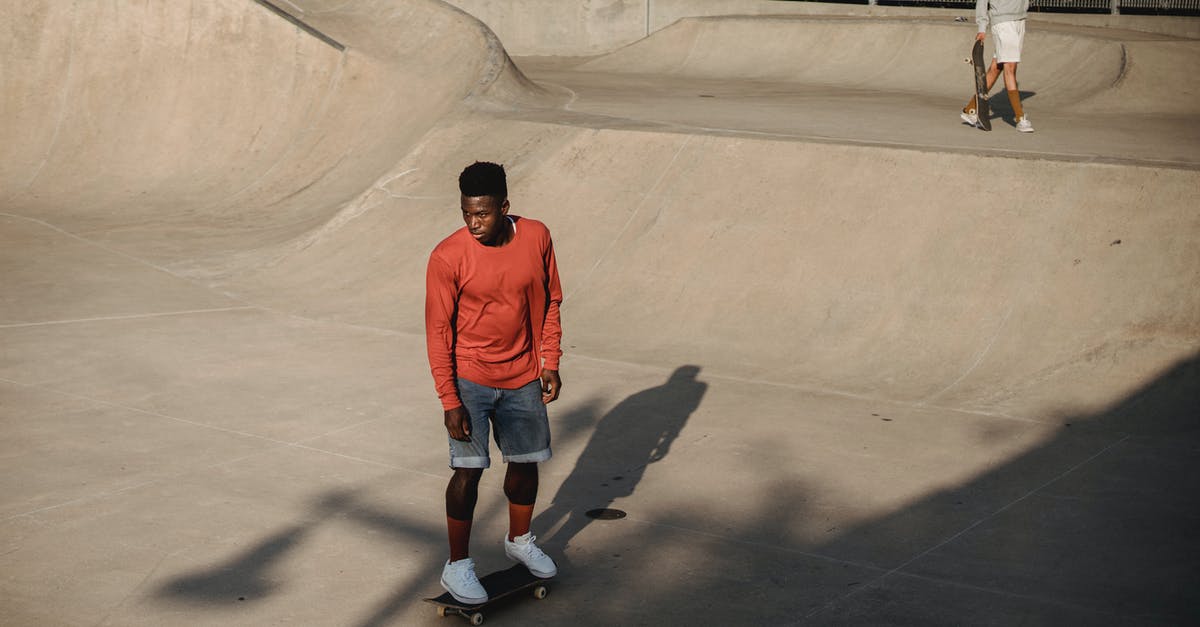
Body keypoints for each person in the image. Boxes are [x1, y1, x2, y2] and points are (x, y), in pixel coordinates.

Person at [425, 161, 563, 604]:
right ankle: (457, 565)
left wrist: (550, 360)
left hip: (522, 374)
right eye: (466, 213)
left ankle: (519, 539)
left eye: (482, 213)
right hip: (470, 379)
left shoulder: (537, 236)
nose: (474, 223)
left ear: (504, 206)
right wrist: (450, 398)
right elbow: (438, 332)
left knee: (525, 463)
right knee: (467, 471)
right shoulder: (448, 256)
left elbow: (552, 300)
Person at [961, 0, 1035, 133]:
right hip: (1003, 23)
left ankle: (970, 109)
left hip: (1020, 19)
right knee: (1010, 67)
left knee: (997, 67)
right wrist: (982, 28)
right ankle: (1020, 118)